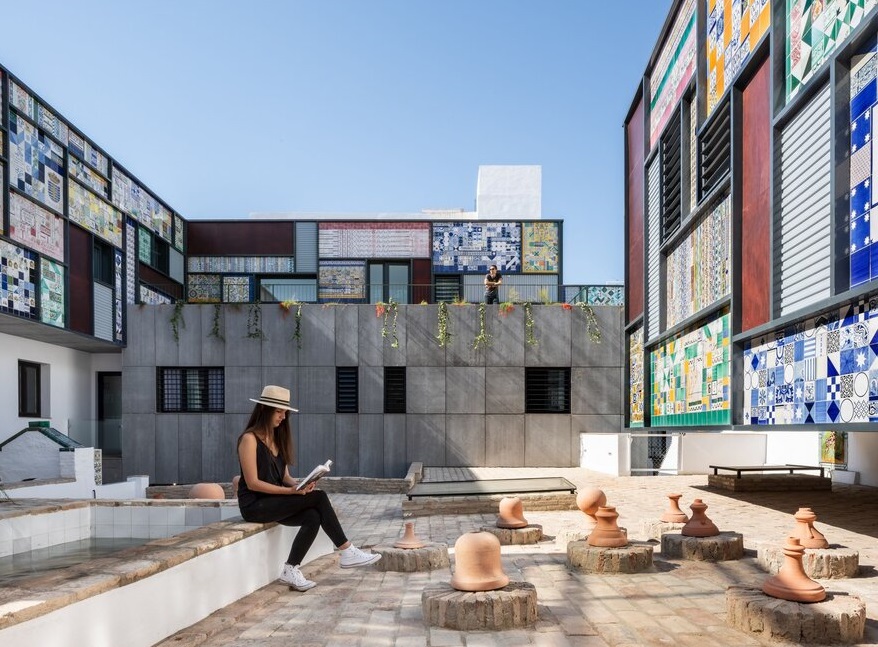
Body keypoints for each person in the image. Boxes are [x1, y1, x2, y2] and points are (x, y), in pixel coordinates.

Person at [236, 385, 380, 591]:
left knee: (312, 515)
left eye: (285, 412)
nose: (283, 417)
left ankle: (290, 569)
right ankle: (347, 550)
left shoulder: (278, 439)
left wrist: (300, 484)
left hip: (274, 502)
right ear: (264, 410)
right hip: (254, 505)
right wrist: (291, 492)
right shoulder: (248, 439)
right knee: (319, 498)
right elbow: (253, 483)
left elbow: (284, 477)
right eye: (278, 411)